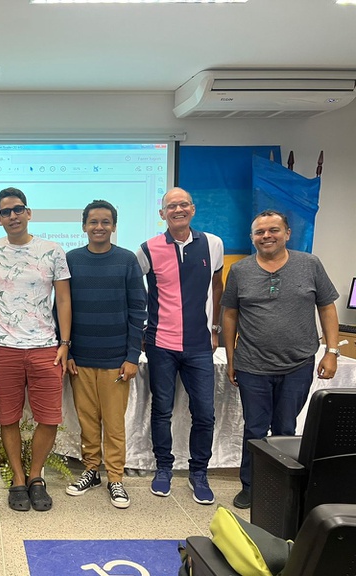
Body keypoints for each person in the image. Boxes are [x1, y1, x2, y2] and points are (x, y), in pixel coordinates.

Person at [221, 209, 340, 510]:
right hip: (252, 365)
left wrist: (332, 351)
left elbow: (327, 307)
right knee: (254, 430)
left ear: (287, 233)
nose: (267, 236)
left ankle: (280, 488)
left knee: (286, 429)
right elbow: (230, 314)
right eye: (260, 232)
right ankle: (251, 486)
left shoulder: (310, 264)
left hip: (297, 365)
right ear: (252, 238)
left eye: (273, 230)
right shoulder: (240, 271)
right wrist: (232, 359)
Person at [0, 187, 71, 513]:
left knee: (49, 418)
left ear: (28, 213)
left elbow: (63, 299)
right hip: (3, 348)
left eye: (18, 209)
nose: (12, 215)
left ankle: (35, 476)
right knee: (8, 417)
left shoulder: (52, 251)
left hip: (45, 347)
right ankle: (17, 477)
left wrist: (65, 344)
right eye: (6, 212)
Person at [136, 187, 224, 505]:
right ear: (162, 214)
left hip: (199, 344)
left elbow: (217, 287)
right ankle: (164, 468)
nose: (178, 209)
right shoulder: (147, 249)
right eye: (171, 206)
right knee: (162, 411)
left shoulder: (213, 244)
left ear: (193, 209)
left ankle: (199, 472)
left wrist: (215, 329)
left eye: (183, 204)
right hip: (160, 344)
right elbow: (134, 290)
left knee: (205, 413)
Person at [64, 200, 146, 509]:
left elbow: (138, 310)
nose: (99, 227)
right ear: (84, 226)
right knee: (87, 421)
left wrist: (132, 357)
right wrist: (67, 351)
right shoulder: (71, 260)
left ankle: (115, 478)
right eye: (93, 222)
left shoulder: (126, 260)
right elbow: (62, 308)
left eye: (105, 222)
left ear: (114, 226)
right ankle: (91, 470)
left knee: (113, 424)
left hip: (116, 361)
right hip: (80, 359)